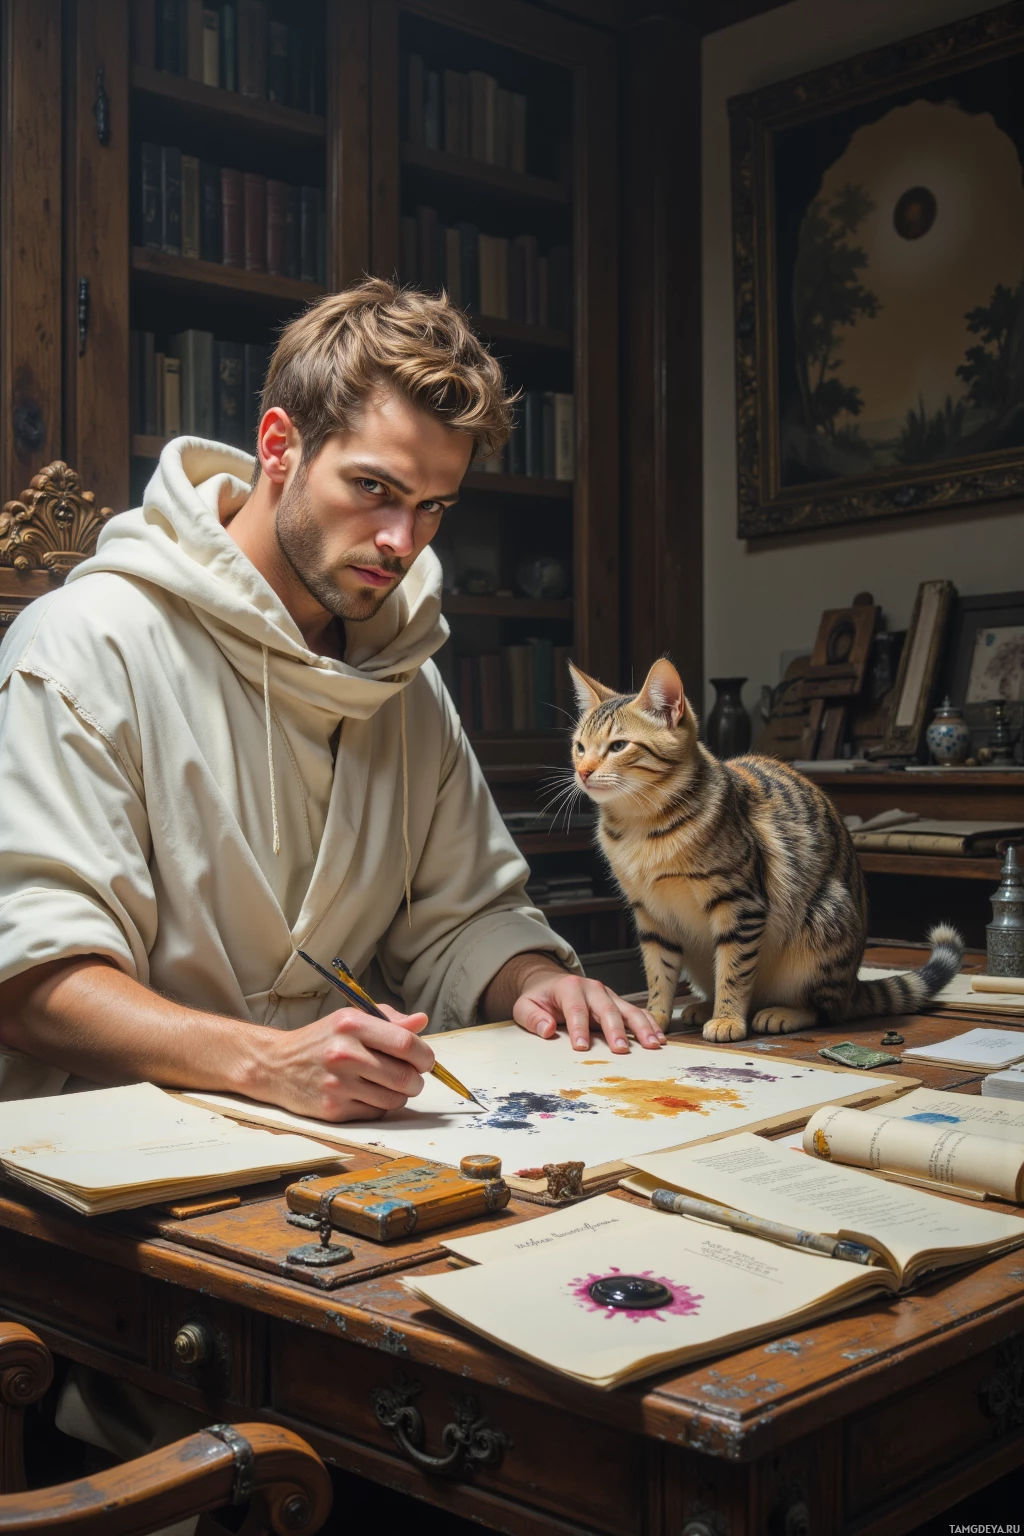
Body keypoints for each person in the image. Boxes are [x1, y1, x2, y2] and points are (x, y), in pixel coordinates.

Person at [0, 278, 662, 1115]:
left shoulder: (408, 681)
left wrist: (531, 977)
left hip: (339, 1138)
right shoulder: (85, 644)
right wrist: (268, 1062)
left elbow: (464, 915)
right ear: (279, 445)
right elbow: (30, 984)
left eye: (432, 508)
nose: (401, 543)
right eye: (374, 489)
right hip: (105, 1155)